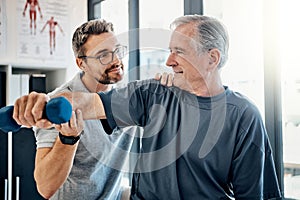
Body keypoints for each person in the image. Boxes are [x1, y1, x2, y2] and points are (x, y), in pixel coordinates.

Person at [13, 15, 282, 199]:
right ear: (81, 63)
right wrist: (46, 103)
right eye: (103, 55)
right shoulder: (152, 94)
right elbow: (85, 103)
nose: (168, 61)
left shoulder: (243, 116)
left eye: (180, 51)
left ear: (212, 59)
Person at [28, 19, 135, 200]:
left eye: (117, 51)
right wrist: (68, 140)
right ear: (81, 64)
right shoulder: (58, 105)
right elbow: (45, 187)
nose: (116, 60)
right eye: (103, 55)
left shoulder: (128, 99)